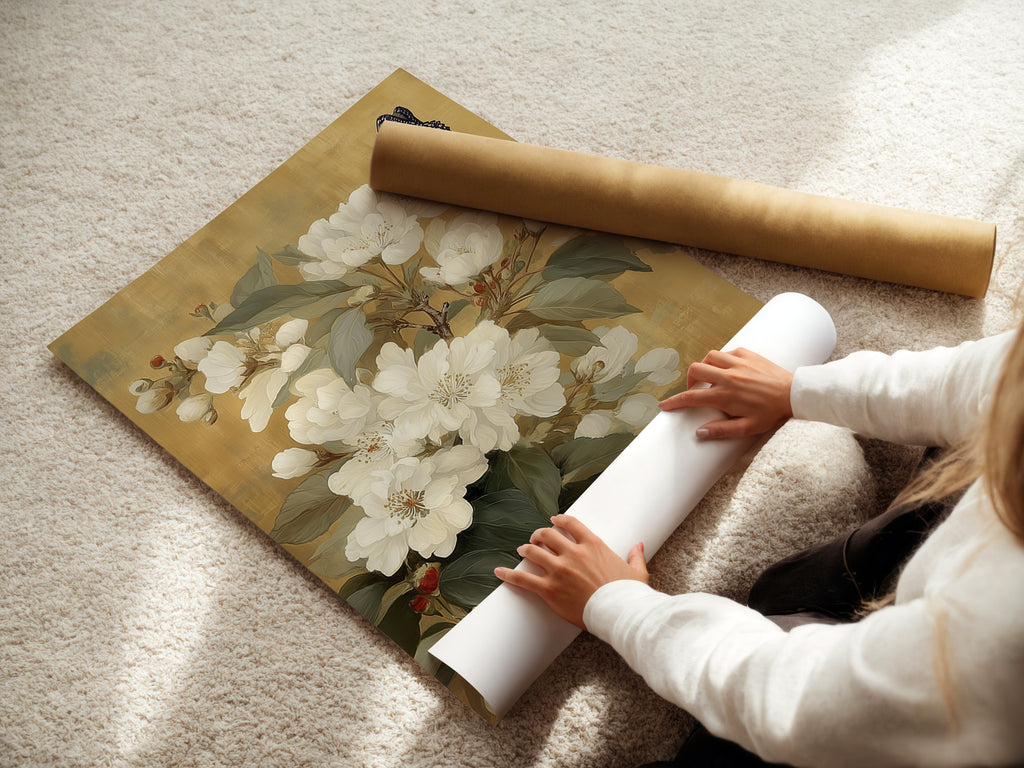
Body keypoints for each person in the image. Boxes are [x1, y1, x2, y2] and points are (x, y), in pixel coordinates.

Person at [494, 325, 1024, 767]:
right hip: (955, 605)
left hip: (946, 720)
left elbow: (795, 701)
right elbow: (983, 379)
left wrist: (619, 605)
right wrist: (797, 390)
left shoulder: (998, 638)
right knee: (790, 591)